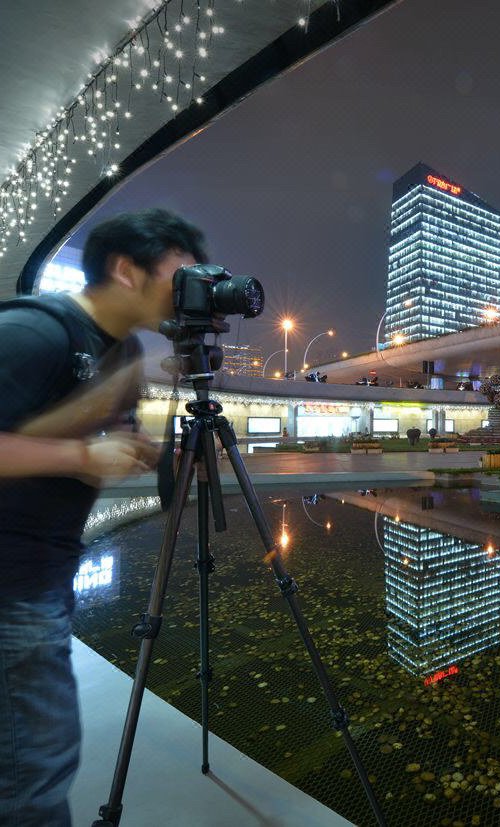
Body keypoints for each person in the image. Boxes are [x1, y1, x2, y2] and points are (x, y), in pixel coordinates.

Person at [0, 208, 207, 826]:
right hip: (9, 583)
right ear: (126, 270)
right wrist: (82, 452)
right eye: (182, 277)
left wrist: (128, 449)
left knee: (32, 761)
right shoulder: (37, 332)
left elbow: (77, 439)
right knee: (32, 771)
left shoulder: (124, 352)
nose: (192, 293)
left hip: (43, 570)